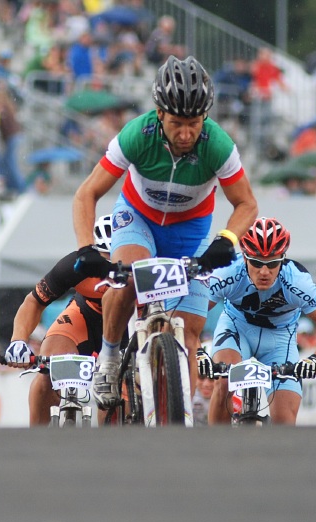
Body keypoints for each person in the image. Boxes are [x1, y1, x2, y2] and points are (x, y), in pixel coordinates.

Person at [71, 55, 258, 413]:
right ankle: (110, 357)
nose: (187, 134)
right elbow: (86, 193)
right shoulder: (136, 135)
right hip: (138, 219)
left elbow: (247, 205)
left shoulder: (218, 145)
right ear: (160, 114)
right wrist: (86, 248)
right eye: (177, 124)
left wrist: (227, 240)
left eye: (194, 123)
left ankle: (179, 416)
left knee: (188, 336)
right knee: (126, 279)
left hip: (191, 232)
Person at [199, 217, 316, 425]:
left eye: (272, 263)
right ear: (244, 258)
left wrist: (315, 360)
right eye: (257, 262)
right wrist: (198, 353)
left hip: (279, 339)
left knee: (283, 423)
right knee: (225, 381)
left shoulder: (296, 282)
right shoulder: (227, 273)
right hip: (236, 328)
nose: (264, 271)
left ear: (282, 259)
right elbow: (191, 315)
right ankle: (216, 450)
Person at [3, 216, 118, 426]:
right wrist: (18, 340)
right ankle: (37, 444)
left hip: (127, 323)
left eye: (116, 260)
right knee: (47, 373)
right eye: (103, 259)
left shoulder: (144, 267)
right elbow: (33, 302)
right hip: (84, 317)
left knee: (118, 395)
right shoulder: (75, 265)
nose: (109, 271)